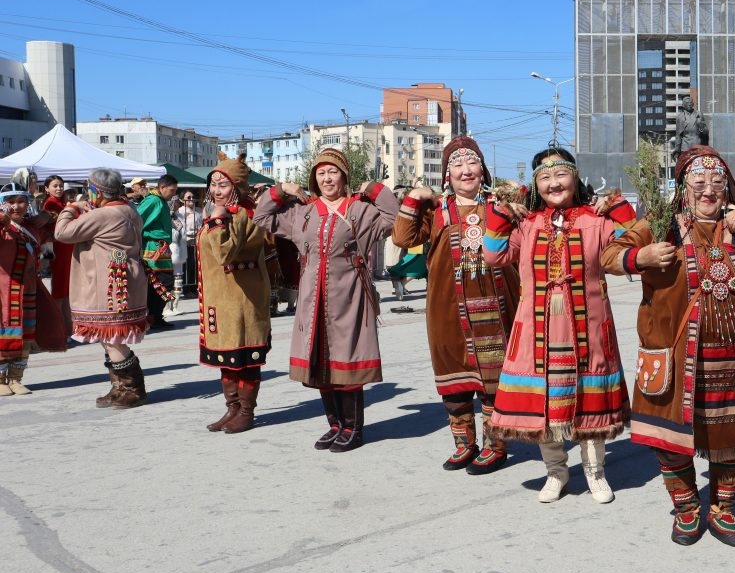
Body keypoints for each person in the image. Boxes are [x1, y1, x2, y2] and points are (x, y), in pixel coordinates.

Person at [603, 146, 735, 546]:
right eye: (699, 181)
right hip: (675, 355)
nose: (709, 189)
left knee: (731, 434)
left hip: (734, 359)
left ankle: (723, 509)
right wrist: (641, 256)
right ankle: (686, 509)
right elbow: (609, 255)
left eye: (716, 181)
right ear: (683, 188)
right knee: (670, 435)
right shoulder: (661, 224)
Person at [482, 146, 635, 503]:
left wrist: (617, 207)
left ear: (575, 177)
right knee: (544, 402)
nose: (554, 183)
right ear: (536, 184)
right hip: (536, 330)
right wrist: (504, 211)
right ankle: (556, 471)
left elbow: (635, 242)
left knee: (590, 400)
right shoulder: (527, 222)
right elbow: (493, 253)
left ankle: (595, 472)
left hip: (589, 328)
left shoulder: (595, 219)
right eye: (544, 177)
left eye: (560, 174)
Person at [253, 148, 399, 452]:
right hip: (311, 298)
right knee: (320, 364)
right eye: (321, 173)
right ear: (314, 179)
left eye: (333, 172)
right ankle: (335, 425)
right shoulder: (302, 212)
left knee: (347, 362)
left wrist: (373, 188)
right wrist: (282, 190)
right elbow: (262, 217)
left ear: (344, 176)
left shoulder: (360, 210)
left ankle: (353, 428)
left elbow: (394, 216)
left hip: (350, 296)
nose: (327, 178)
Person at [393, 138, 520, 475]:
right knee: (455, 380)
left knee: (494, 380)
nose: (466, 170)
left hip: (497, 307)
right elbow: (403, 238)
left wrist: (514, 194)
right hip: (446, 308)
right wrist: (414, 197)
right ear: (447, 173)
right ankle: (465, 444)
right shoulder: (436, 212)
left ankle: (496, 446)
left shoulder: (502, 206)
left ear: (483, 169)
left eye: (472, 162)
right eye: (457, 164)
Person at [55, 168, 150, 408]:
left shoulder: (101, 215)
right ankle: (119, 386)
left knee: (112, 337)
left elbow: (62, 233)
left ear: (97, 191)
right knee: (109, 336)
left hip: (109, 282)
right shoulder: (130, 209)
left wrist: (72, 208)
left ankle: (132, 388)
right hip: (124, 274)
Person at [196, 155, 272, 434]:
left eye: (223, 185)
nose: (216, 191)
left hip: (242, 300)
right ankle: (232, 408)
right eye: (213, 184)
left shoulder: (245, 215)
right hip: (220, 299)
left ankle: (247, 411)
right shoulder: (225, 211)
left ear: (237, 187)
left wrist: (216, 222)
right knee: (227, 359)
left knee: (244, 360)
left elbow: (224, 253)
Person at [0, 186, 66, 396]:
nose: (17, 206)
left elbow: (59, 226)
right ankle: (1, 379)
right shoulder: (3, 227)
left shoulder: (32, 227)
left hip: (28, 289)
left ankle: (17, 378)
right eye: (12, 201)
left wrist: (46, 214)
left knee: (26, 334)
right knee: (5, 332)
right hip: (3, 291)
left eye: (21, 201)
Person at [137, 175, 179, 329]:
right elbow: (136, 219)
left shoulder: (159, 201)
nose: (174, 194)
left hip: (161, 248)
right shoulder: (153, 201)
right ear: (162, 187)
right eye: (172, 190)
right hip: (153, 250)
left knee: (162, 282)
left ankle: (155, 317)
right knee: (160, 282)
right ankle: (153, 317)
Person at [38, 174, 74, 330]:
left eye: (60, 185)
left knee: (66, 291)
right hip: (59, 249)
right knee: (60, 291)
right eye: (55, 186)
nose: (59, 188)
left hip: (67, 248)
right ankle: (59, 328)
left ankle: (68, 327)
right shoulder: (51, 204)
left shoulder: (62, 202)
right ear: (47, 189)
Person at [175, 188, 202, 300]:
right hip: (185, 242)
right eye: (188, 198)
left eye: (192, 197)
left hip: (198, 241)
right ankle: (187, 289)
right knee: (187, 265)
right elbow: (177, 227)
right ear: (182, 200)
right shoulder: (180, 212)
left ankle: (196, 287)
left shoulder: (200, 210)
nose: (191, 199)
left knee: (197, 264)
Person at [669, 95, 708, 162]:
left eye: (690, 103)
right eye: (687, 103)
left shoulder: (699, 114)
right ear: (683, 105)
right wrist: (677, 150)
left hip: (698, 145)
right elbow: (678, 135)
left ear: (693, 104)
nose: (689, 104)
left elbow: (706, 133)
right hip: (685, 147)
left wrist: (701, 127)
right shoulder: (680, 117)